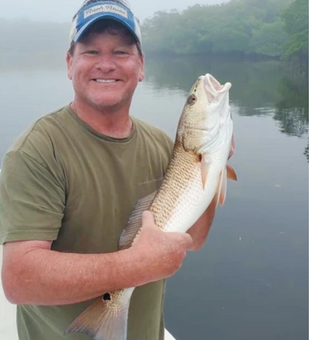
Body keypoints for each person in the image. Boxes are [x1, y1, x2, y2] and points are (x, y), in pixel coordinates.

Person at [0, 1, 216, 339]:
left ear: (141, 65)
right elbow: (19, 279)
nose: (106, 64)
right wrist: (135, 265)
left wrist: (213, 165)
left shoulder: (161, 144)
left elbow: (195, 239)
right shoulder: (38, 151)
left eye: (120, 52)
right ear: (70, 63)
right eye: (90, 52)